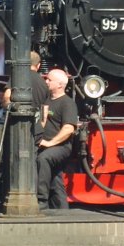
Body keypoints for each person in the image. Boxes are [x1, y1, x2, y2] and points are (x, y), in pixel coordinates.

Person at [37, 68, 78, 210]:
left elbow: (68, 129)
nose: (46, 81)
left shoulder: (67, 103)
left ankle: (41, 200)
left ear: (60, 85)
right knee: (55, 178)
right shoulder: (46, 100)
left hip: (61, 147)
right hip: (44, 143)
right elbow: (42, 122)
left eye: (49, 80)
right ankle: (62, 209)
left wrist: (50, 143)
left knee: (44, 159)